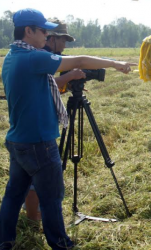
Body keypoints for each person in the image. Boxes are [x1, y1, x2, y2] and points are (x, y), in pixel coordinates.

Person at [0, 8, 134, 250]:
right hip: (39, 142)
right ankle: (61, 244)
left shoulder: (12, 56)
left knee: (13, 196)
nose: (46, 36)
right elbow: (81, 60)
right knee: (51, 199)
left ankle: (6, 241)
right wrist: (116, 64)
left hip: (18, 140)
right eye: (43, 31)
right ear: (28, 31)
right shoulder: (33, 58)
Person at [23, 18, 85, 222]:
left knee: (27, 175)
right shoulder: (42, 56)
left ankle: (33, 214)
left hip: (33, 125)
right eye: (64, 40)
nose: (65, 45)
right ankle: (36, 218)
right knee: (38, 173)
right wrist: (70, 76)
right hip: (37, 129)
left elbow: (48, 85)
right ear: (53, 38)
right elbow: (43, 84)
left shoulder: (38, 54)